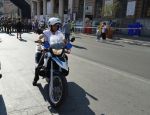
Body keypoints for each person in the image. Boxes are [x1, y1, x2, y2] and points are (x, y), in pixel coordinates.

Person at [32, 17, 67, 86]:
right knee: (38, 66)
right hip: (47, 50)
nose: (55, 27)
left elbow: (64, 39)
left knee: (65, 56)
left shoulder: (59, 33)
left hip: (57, 50)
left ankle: (64, 69)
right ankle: (36, 78)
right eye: (54, 26)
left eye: (56, 26)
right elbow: (40, 36)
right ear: (50, 26)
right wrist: (39, 39)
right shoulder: (46, 32)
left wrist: (66, 42)